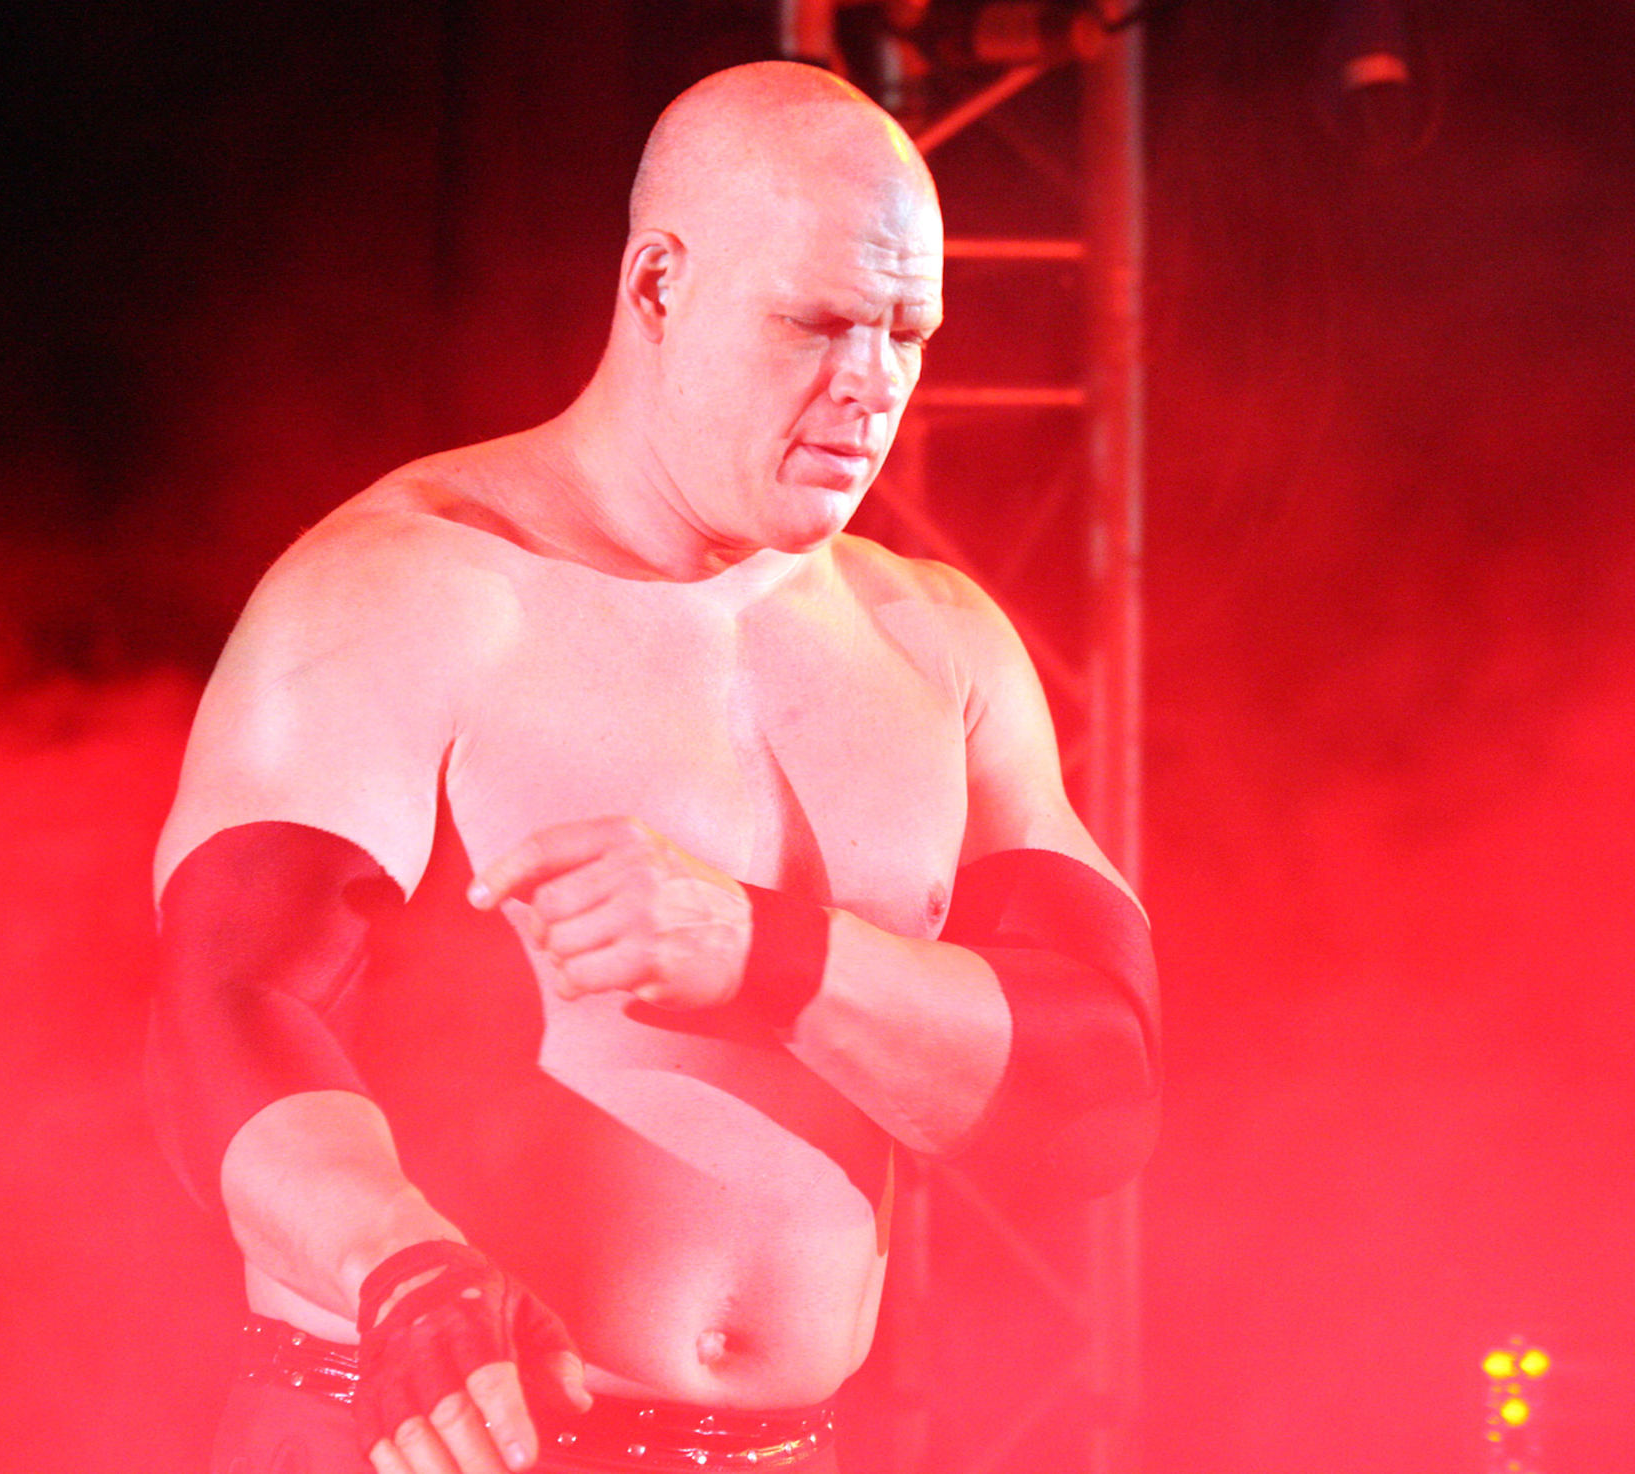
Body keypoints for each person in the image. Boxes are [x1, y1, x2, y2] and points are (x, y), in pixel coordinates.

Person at [148, 59, 1159, 1474]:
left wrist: (769, 951)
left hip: (781, 1447)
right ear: (659, 284)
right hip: (403, 1434)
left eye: (908, 332)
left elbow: (1097, 1091)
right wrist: (404, 1271)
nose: (870, 385)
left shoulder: (936, 646)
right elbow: (229, 1006)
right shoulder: (406, 588)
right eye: (816, 323)